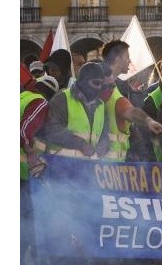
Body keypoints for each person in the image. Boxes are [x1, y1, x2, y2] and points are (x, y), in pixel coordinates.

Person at [20, 75, 60, 264]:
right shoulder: (40, 103)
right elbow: (25, 131)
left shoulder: (21, 97)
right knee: (24, 228)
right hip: (21, 176)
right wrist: (31, 152)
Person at [99, 63, 162, 161]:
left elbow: (131, 112)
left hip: (115, 169)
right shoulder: (83, 99)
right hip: (86, 169)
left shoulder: (115, 99)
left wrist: (148, 121)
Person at [44, 62, 109, 159]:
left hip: (87, 169)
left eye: (101, 84)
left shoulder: (101, 105)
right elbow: (51, 129)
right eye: (96, 83)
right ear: (84, 81)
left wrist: (104, 144)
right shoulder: (62, 99)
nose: (99, 87)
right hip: (61, 166)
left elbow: (103, 134)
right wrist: (80, 144)